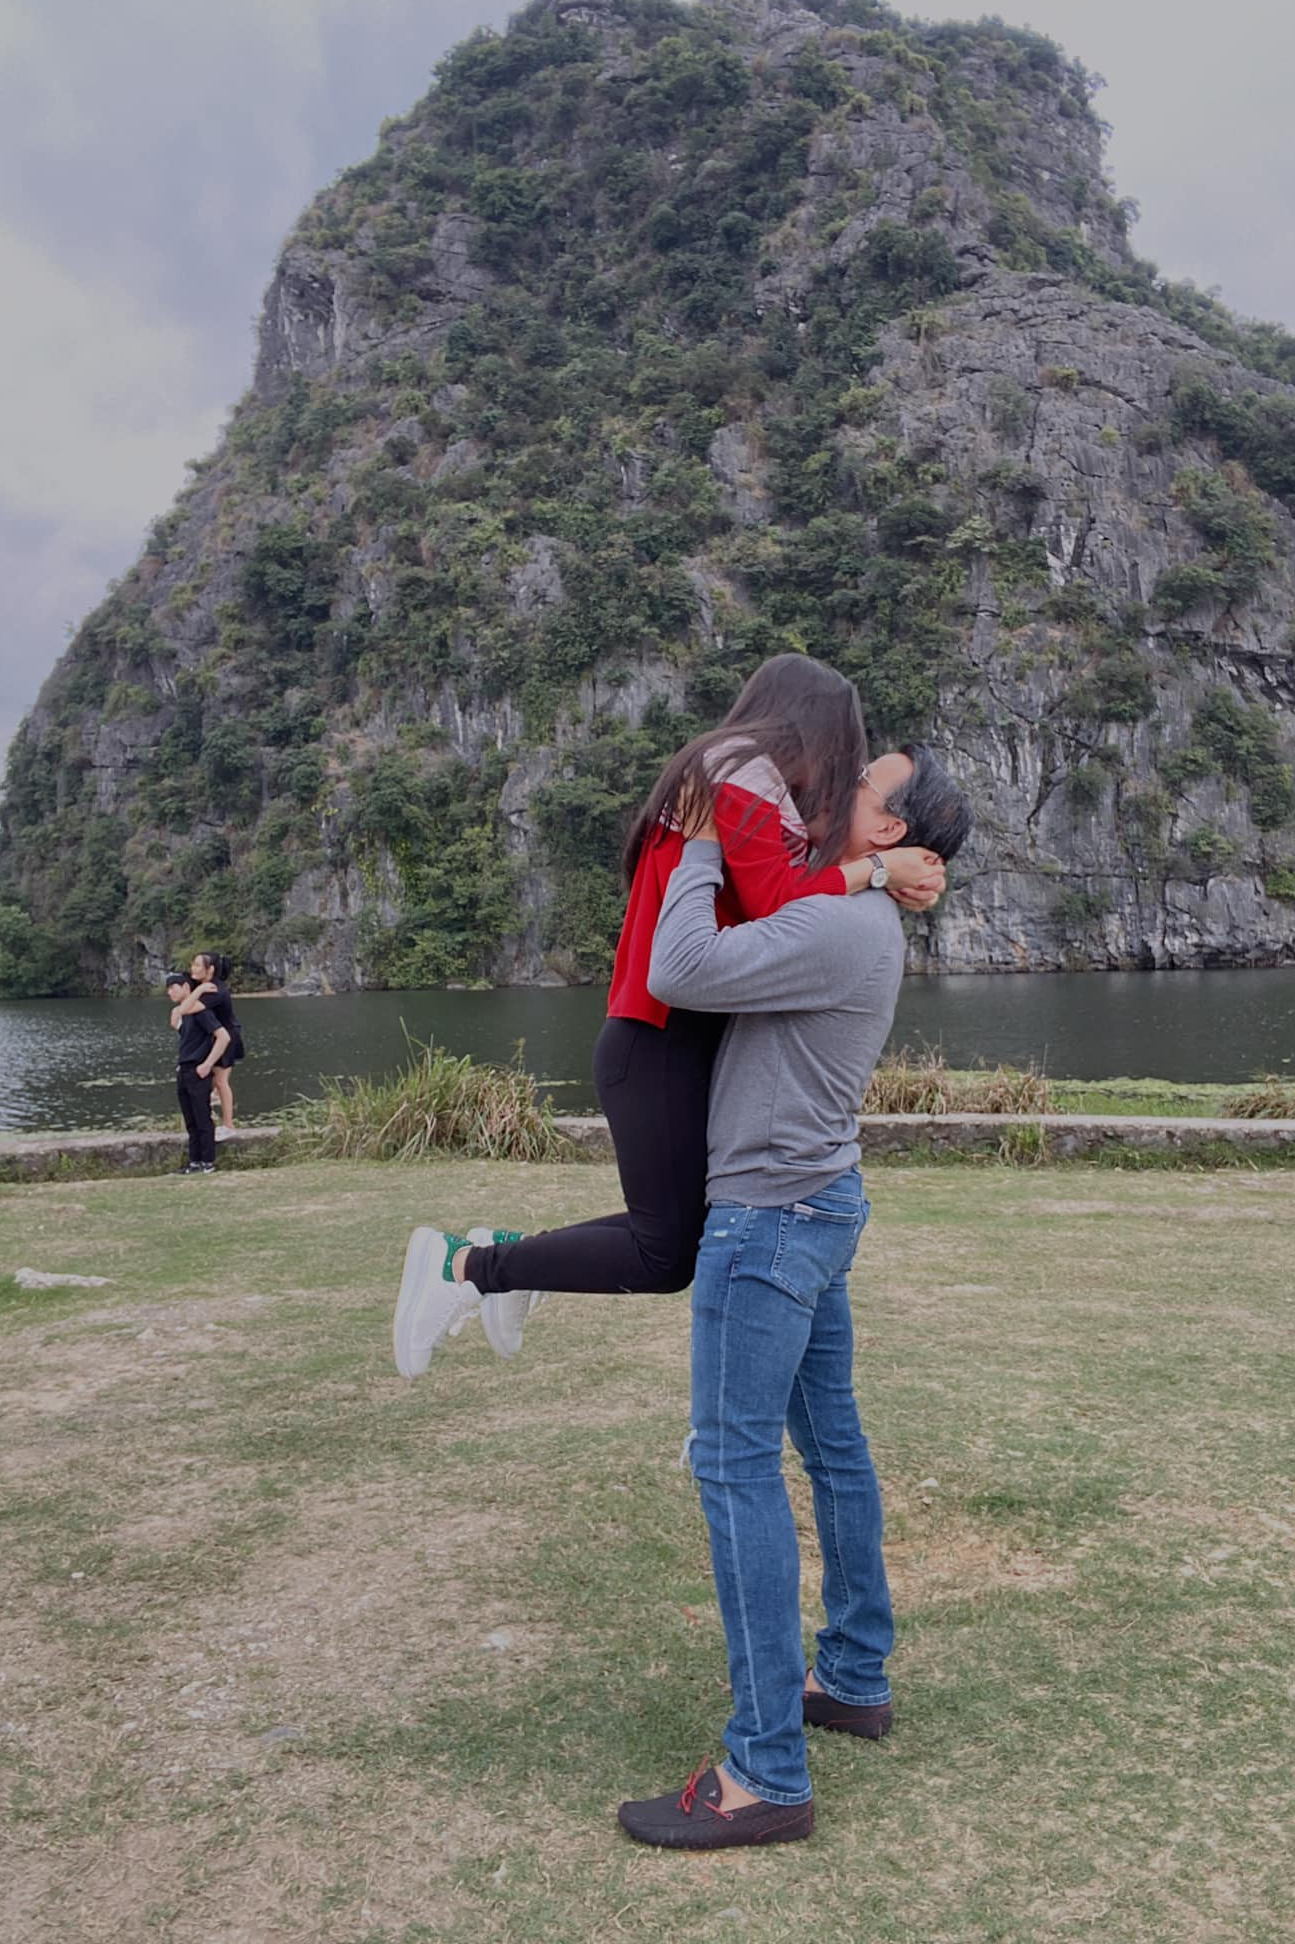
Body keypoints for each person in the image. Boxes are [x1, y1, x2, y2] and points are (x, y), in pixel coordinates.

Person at [392, 656, 947, 1377]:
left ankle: (501, 1259)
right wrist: (876, 869)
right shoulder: (738, 776)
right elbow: (779, 901)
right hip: (655, 1039)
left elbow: (794, 889)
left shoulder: (757, 794)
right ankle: (466, 1266)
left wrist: (899, 871)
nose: (842, 773)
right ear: (804, 728)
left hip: (672, 1039)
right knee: (664, 1253)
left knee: (675, 1237)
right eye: (845, 752)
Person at [614, 747, 972, 1850]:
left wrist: (703, 837)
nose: (835, 787)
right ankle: (852, 1675)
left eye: (860, 785)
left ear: (888, 828)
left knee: (736, 1469)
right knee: (832, 1445)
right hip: (815, 1204)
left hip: (769, 1218)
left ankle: (766, 1770)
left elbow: (680, 964)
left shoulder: (836, 924)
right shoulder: (856, 911)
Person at [170, 952, 245, 1140]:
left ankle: (228, 1125)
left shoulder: (214, 990)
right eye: (193, 964)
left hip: (227, 1037)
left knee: (221, 1081)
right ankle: (212, 1114)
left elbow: (185, 1009)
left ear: (210, 969)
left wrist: (198, 991)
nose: (193, 968)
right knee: (209, 1082)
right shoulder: (204, 986)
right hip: (213, 1037)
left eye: (197, 965)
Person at [164, 972, 230, 1173]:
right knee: (190, 1120)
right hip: (184, 1070)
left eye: (173, 988)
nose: (169, 992)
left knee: (202, 1118)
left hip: (198, 1070)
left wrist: (208, 1064)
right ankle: (194, 1162)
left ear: (186, 987)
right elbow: (180, 1028)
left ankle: (208, 1162)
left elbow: (223, 1037)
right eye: (167, 989)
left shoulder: (201, 1011)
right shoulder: (185, 1014)